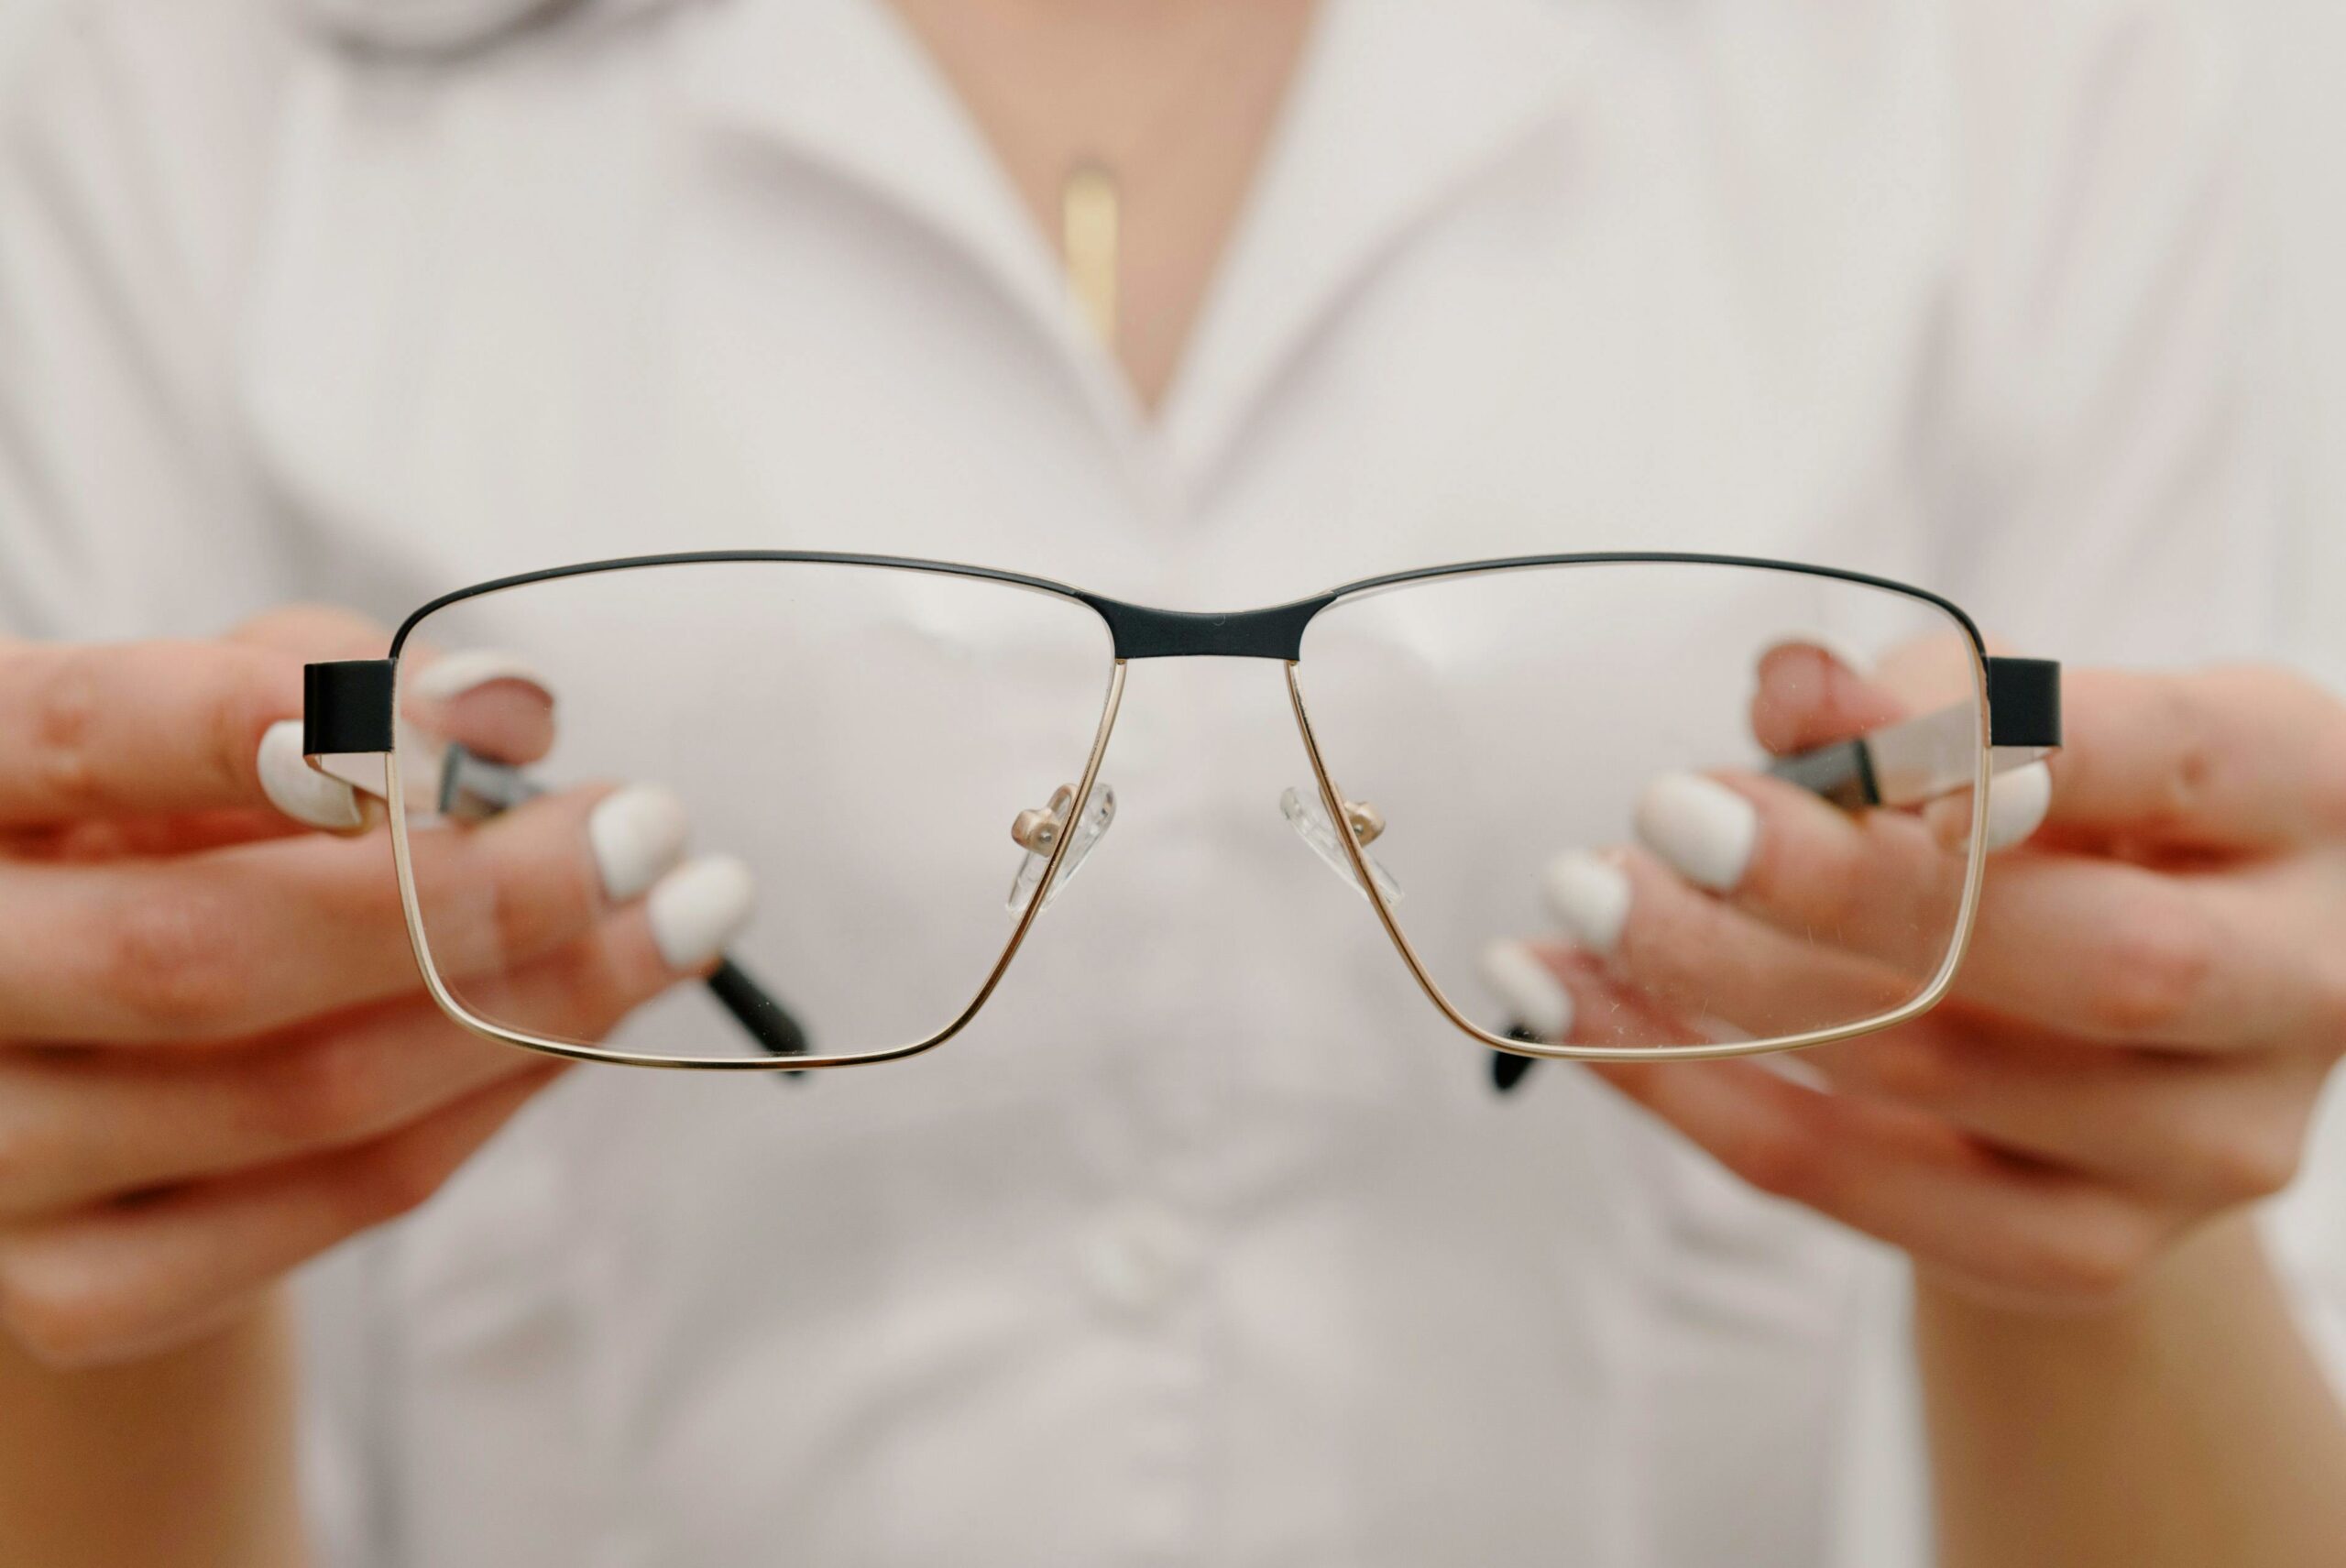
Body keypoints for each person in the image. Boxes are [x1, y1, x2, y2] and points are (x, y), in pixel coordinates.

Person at [1, 0, 2341, 1564]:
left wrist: (2087, 1140)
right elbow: (107, 1242)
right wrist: (100, 1200)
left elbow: (2149, 1223)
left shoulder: (2047, 63)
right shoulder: (149, 76)